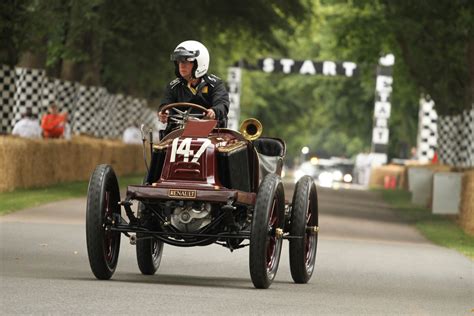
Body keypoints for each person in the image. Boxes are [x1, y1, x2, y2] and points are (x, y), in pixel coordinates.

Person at [158, 40, 230, 136]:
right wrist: (163, 113)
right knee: (159, 150)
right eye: (179, 61)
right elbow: (165, 104)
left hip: (210, 134)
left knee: (222, 150)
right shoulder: (173, 86)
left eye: (187, 61)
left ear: (199, 63)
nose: (181, 65)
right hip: (178, 134)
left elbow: (222, 104)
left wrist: (214, 111)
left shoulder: (215, 84)